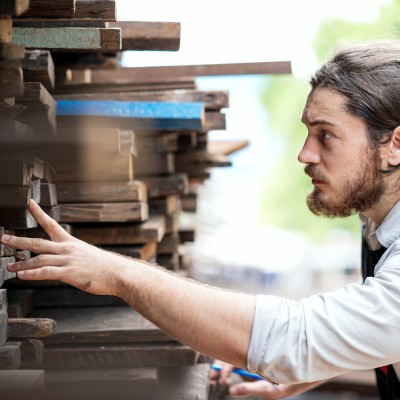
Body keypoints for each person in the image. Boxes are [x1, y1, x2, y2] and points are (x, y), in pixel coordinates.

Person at [2, 41, 400, 400]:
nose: (304, 154)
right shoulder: (379, 225)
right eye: (307, 133)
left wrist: (116, 272)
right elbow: (377, 322)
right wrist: (316, 369)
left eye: (325, 135)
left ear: (394, 146)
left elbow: (294, 339)